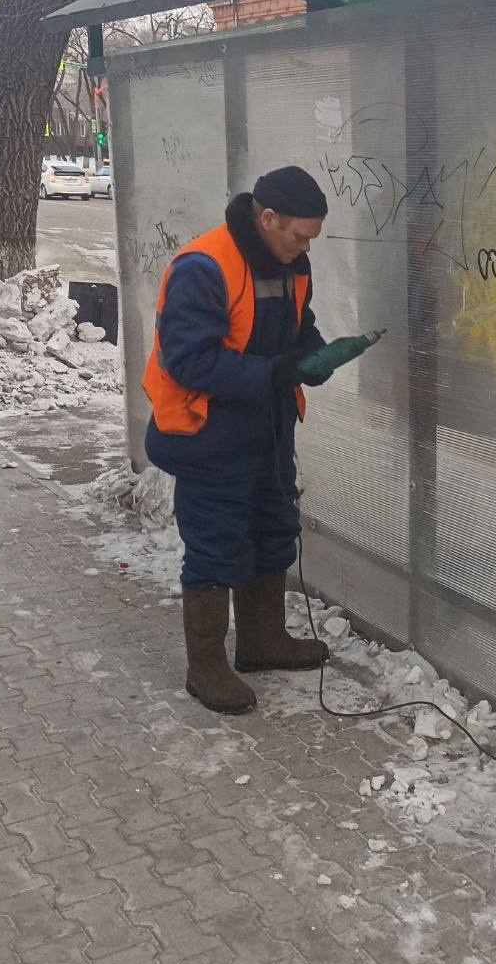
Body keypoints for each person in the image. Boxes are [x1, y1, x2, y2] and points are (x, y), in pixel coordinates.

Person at [144, 166, 379, 715]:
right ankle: (205, 668)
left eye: (312, 240)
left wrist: (313, 355)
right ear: (266, 217)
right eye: (298, 236)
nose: (304, 249)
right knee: (216, 544)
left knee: (273, 529)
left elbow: (299, 325)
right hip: (208, 431)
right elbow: (187, 359)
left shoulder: (291, 264)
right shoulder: (203, 267)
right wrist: (272, 373)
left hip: (267, 427)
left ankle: (261, 641)